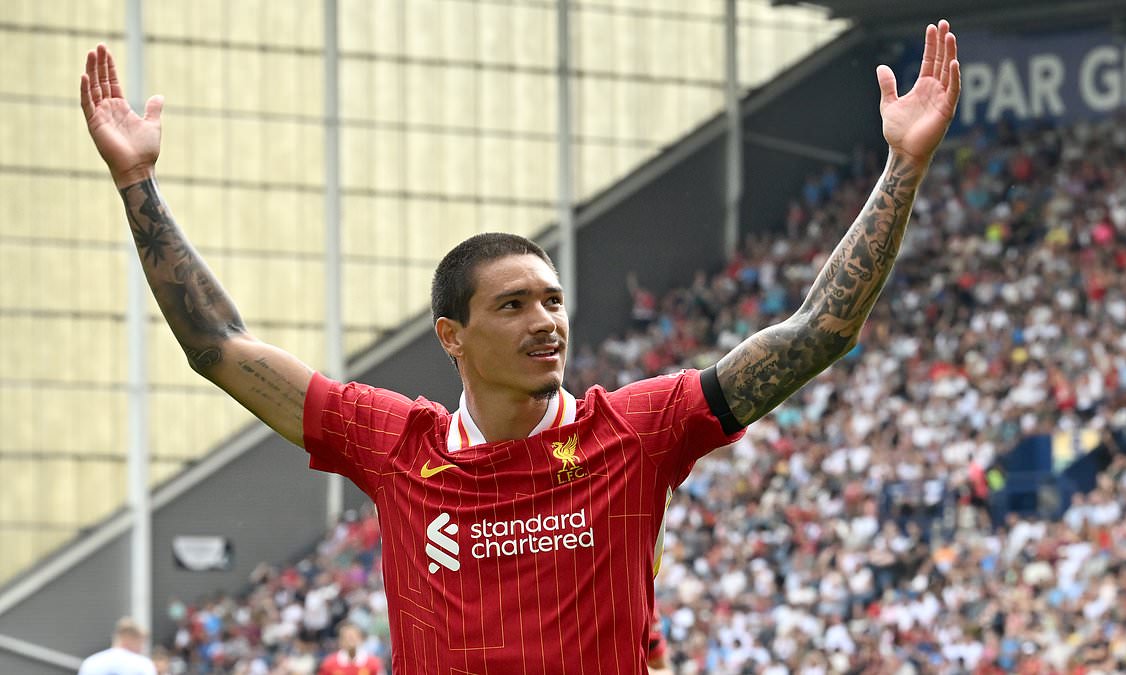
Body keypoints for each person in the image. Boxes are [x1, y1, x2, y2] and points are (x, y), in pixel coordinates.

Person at [79, 18, 960, 674]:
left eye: (553, 300)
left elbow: (820, 330)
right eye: (513, 305)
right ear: (451, 336)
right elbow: (217, 345)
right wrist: (137, 182)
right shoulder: (394, 443)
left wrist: (903, 168)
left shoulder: (640, 431)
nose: (546, 321)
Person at [77, 617, 156, 675]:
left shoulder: (90, 663)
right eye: (141, 643)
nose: (142, 648)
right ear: (129, 639)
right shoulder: (142, 664)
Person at [317, 622, 383, 675]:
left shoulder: (373, 663)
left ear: (361, 639)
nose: (350, 641)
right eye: (346, 637)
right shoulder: (329, 663)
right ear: (340, 641)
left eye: (353, 637)